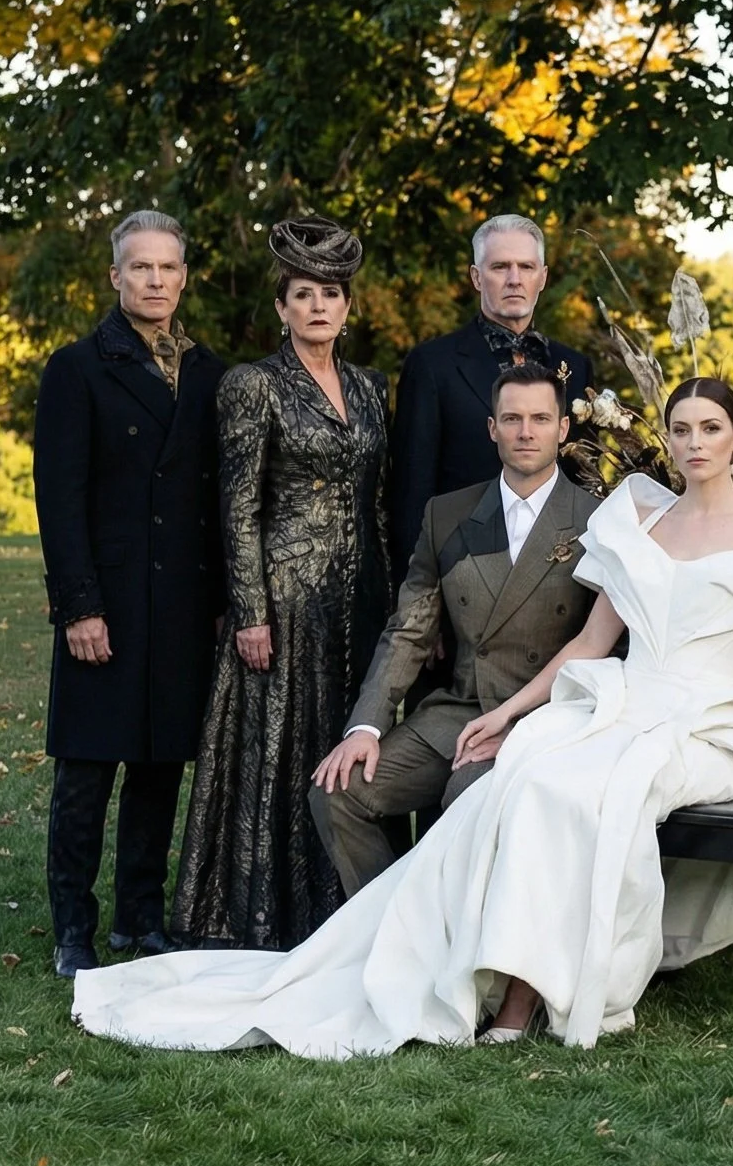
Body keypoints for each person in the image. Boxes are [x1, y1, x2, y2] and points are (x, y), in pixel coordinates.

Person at [71, 377, 733, 1057]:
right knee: (526, 777)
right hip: (619, 698)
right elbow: (589, 642)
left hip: (708, 719)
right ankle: (489, 975)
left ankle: (532, 991)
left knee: (577, 795)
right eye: (681, 429)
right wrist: (507, 712)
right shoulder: (638, 524)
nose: (695, 443)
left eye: (711, 428)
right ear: (668, 439)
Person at [170, 219, 392, 950]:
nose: (319, 307)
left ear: (348, 307)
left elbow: (378, 498)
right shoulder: (252, 386)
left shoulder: (368, 388)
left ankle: (342, 912)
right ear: (282, 308)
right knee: (277, 750)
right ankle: (264, 917)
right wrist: (249, 611)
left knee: (345, 743)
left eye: (331, 294)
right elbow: (236, 506)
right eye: (304, 295)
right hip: (284, 600)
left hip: (357, 602)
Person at [307, 362, 601, 894]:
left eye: (540, 418)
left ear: (563, 428)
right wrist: (365, 728)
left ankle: (456, 947)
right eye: (512, 418)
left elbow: (603, 649)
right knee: (337, 791)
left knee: (469, 794)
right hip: (459, 712)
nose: (526, 431)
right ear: (492, 428)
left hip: (545, 723)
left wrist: (525, 725)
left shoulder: (597, 520)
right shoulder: (448, 513)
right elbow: (410, 630)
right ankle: (388, 928)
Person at [34, 212, 227, 978]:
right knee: (86, 771)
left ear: (184, 277)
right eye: (140, 268)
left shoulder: (209, 372)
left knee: (158, 766)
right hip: (105, 603)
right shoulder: (78, 368)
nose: (155, 281)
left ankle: (139, 920)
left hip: (179, 604)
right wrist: (79, 606)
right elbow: (60, 495)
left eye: (167, 268)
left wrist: (218, 600)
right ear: (115, 276)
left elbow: (212, 500)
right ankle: (73, 929)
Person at [388, 215, 592, 572]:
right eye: (500, 266)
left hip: (558, 573)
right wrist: (419, 590)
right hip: (462, 573)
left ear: (542, 277)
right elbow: (410, 492)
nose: (515, 279)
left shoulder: (575, 366)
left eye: (526, 267)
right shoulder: (432, 365)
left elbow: (585, 482)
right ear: (476, 276)